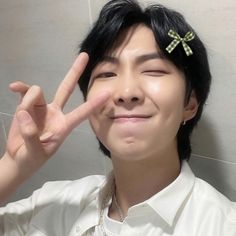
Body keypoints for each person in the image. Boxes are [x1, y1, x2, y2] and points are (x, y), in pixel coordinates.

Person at [0, 0, 235, 235]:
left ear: (190, 103)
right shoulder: (51, 206)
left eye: (154, 70)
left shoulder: (224, 225)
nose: (126, 92)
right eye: (107, 73)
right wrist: (14, 166)